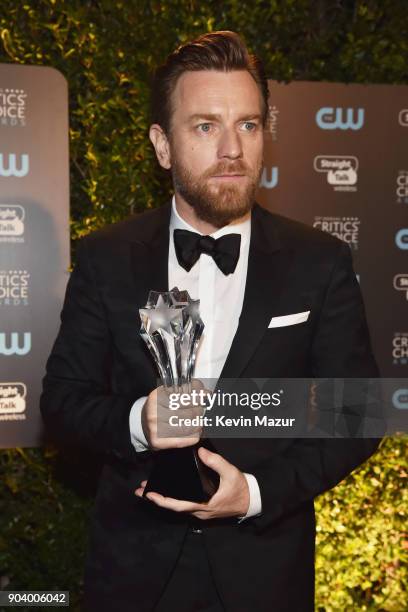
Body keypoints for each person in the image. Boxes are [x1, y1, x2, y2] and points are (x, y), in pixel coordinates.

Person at [40, 31, 382, 612]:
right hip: (134, 575)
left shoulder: (318, 263)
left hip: (264, 574)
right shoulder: (106, 258)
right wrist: (137, 421)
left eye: (248, 125)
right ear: (162, 145)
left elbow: (357, 411)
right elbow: (63, 403)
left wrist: (253, 493)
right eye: (205, 126)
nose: (232, 149)